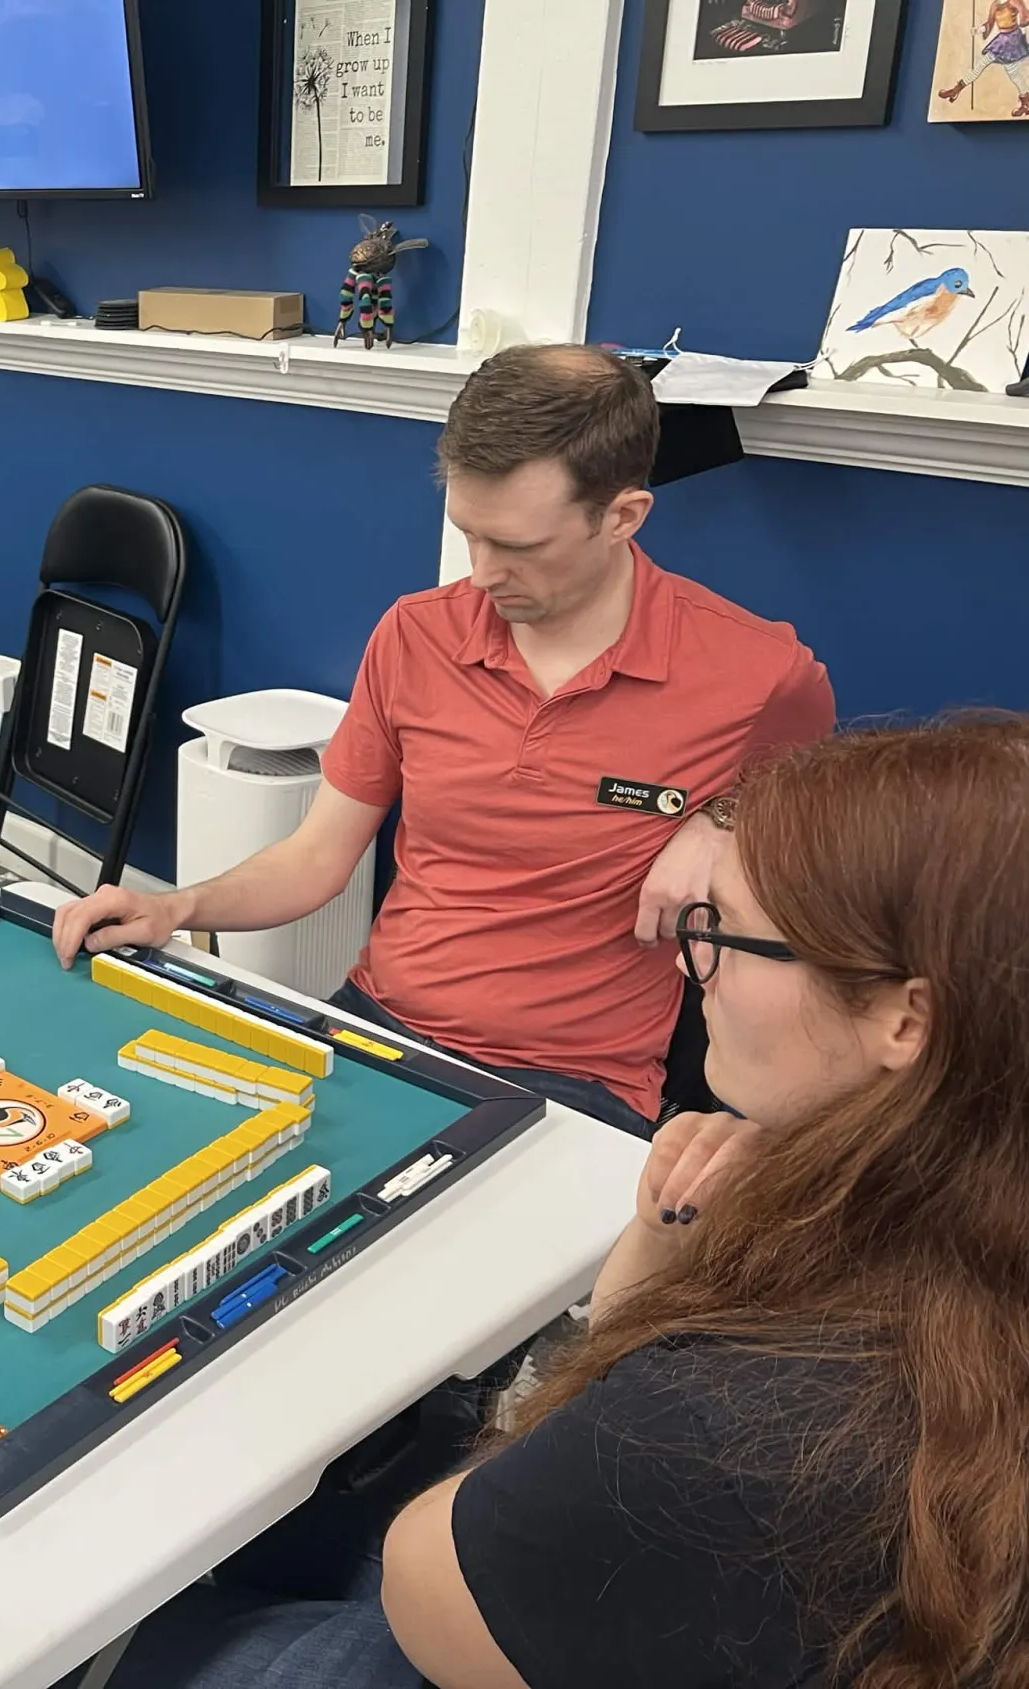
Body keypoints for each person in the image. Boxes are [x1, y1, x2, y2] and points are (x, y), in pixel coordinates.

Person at [106, 714, 1029, 1689]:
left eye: (720, 934)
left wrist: (610, 1338)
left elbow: (428, 1586)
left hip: (485, 1600)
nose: (686, 962)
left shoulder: (730, 1425)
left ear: (904, 1018)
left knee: (180, 1636)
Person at [53, 344, 834, 1135]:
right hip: (377, 1022)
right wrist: (175, 906)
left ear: (623, 516)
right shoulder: (414, 634)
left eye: (520, 547)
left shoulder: (758, 674)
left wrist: (720, 823)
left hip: (572, 1081)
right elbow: (316, 857)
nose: (484, 573)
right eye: (469, 534)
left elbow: (816, 811)